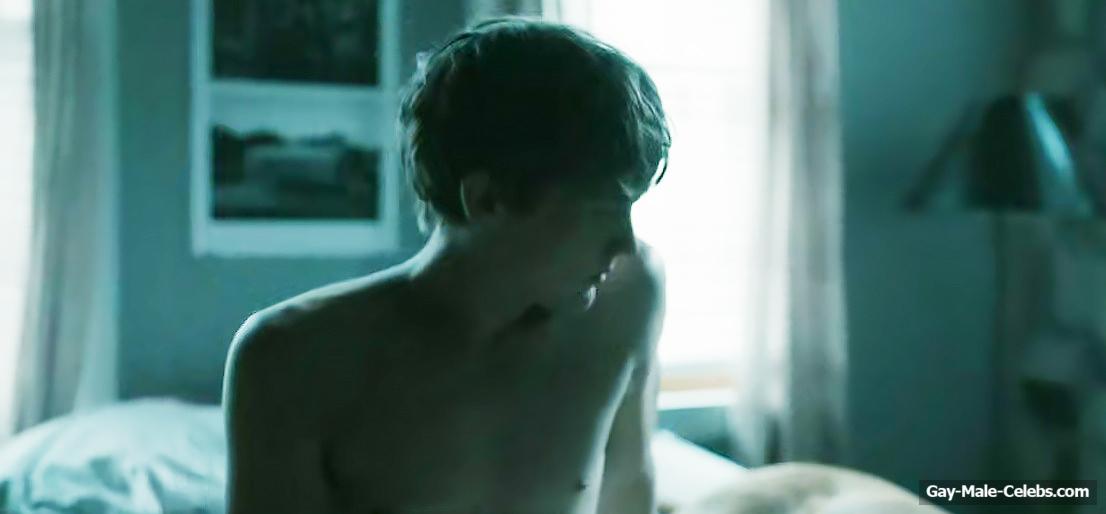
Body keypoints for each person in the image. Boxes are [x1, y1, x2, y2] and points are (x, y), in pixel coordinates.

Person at [222, 16, 671, 514]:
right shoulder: (291, 360)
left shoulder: (628, 298)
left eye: (630, 206)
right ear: (486, 200)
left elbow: (629, 486)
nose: (625, 245)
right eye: (599, 212)